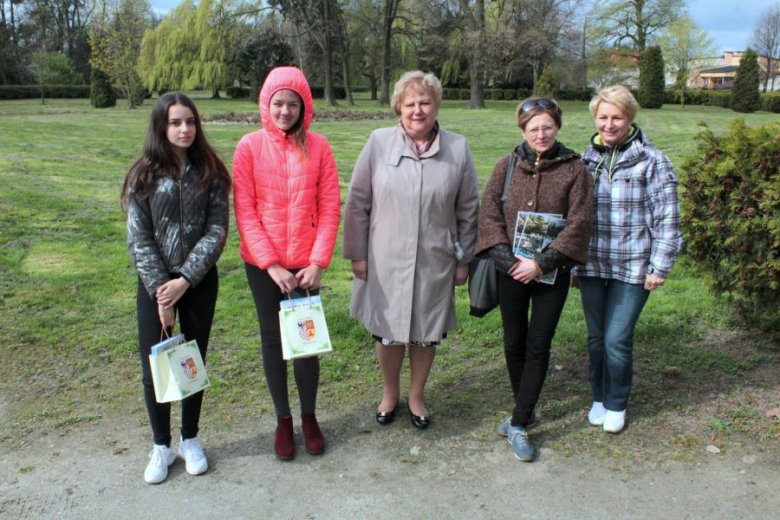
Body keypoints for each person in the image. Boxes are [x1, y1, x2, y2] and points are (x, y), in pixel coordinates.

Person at [343, 70, 479, 430]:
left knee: (425, 330)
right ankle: (390, 394)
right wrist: (358, 254)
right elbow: (358, 201)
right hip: (384, 258)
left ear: (436, 106)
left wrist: (464, 260)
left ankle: (416, 396)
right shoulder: (378, 142)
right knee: (387, 330)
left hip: (435, 258)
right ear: (398, 108)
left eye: (425, 102)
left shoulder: (458, 148)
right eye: (410, 103)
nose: (417, 110)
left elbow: (468, 209)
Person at [475, 97, 592, 461]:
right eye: (532, 128)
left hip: (551, 273)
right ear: (522, 130)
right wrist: (509, 261)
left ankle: (520, 421)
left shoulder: (576, 171)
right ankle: (523, 406)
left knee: (538, 344)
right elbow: (489, 216)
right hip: (510, 270)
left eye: (547, 127)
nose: (540, 134)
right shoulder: (506, 166)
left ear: (557, 127)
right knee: (514, 341)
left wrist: (541, 263)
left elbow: (580, 223)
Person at [233, 67, 340, 460]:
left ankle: (309, 416)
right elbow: (245, 211)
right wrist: (271, 265)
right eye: (278, 103)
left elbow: (329, 207)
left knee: (306, 342)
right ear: (266, 104)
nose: (284, 111)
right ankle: (283, 420)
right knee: (273, 340)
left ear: (303, 106)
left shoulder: (320, 146)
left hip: (306, 266)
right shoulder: (248, 147)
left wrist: (317, 262)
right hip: (266, 267)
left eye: (292, 104)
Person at [124, 92, 230, 484]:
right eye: (175, 123)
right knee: (155, 366)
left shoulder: (212, 172)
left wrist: (185, 280)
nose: (184, 129)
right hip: (154, 284)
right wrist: (161, 290)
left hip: (198, 282)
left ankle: (190, 438)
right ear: (161, 127)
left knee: (191, 361)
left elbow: (217, 230)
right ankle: (161, 445)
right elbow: (139, 238)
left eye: (190, 121)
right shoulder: (143, 175)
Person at [574, 85, 682, 434]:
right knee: (595, 337)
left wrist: (659, 266)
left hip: (633, 266)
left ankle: (617, 401)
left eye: (616, 117)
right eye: (603, 117)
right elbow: (573, 216)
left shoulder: (652, 160)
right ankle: (599, 398)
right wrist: (572, 263)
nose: (609, 124)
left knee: (616, 338)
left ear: (630, 118)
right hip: (592, 264)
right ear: (595, 118)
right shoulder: (584, 160)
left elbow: (667, 217)